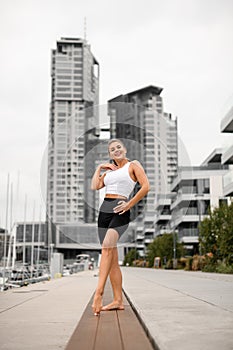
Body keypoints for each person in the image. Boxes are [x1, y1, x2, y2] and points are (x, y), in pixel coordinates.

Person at [91, 138, 150, 316]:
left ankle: (98, 293)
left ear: (124, 150)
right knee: (112, 259)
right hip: (104, 212)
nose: (116, 150)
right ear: (110, 154)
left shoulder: (132, 165)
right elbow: (95, 186)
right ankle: (118, 300)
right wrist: (100, 168)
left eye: (118, 147)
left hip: (120, 209)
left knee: (107, 248)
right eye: (112, 149)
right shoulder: (109, 171)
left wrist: (129, 204)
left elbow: (146, 186)